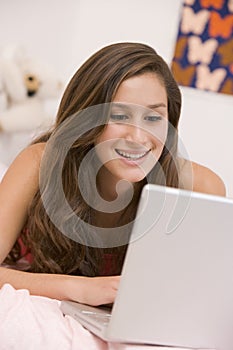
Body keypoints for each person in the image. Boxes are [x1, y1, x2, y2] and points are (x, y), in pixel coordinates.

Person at [0, 42, 225, 307]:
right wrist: (79, 289)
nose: (138, 137)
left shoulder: (200, 187)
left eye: (154, 118)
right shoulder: (40, 163)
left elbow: (202, 294)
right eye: (119, 116)